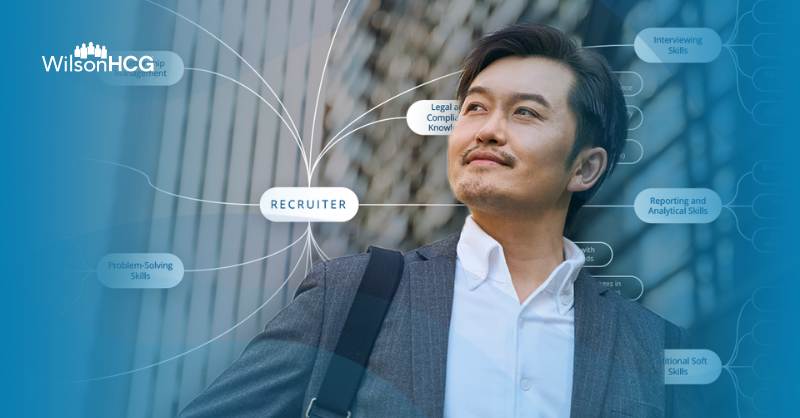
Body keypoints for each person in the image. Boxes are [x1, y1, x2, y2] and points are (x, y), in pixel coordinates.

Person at [176, 23, 705, 418]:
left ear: (585, 167)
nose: (488, 130)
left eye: (525, 113)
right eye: (475, 108)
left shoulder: (660, 352)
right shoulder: (354, 296)